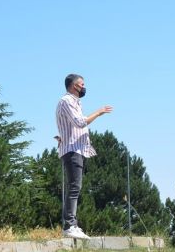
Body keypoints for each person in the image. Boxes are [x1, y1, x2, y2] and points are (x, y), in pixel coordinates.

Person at [56, 74, 113, 240]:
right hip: (72, 149)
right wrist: (99, 112)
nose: (84, 87)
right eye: (81, 84)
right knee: (74, 187)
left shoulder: (75, 103)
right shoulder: (67, 101)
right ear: (74, 86)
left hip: (77, 149)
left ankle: (72, 224)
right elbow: (80, 122)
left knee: (76, 187)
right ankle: (69, 226)